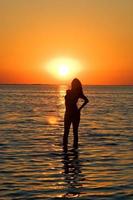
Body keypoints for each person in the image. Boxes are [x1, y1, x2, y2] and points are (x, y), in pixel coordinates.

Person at [63, 78, 89, 149]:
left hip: (73, 113)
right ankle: (66, 151)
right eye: (73, 83)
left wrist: (80, 109)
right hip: (69, 113)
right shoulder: (69, 91)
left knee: (74, 132)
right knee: (66, 132)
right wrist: (79, 109)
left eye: (74, 83)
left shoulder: (75, 93)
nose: (73, 84)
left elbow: (87, 100)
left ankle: (73, 151)